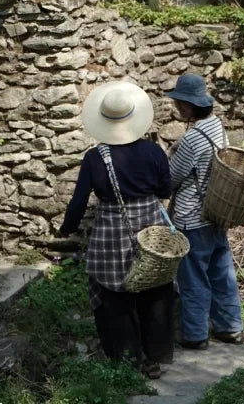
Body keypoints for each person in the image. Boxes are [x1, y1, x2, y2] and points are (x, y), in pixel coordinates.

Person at [59, 81, 174, 378]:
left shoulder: (95, 158)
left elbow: (79, 200)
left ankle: (127, 358)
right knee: (154, 287)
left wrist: (67, 229)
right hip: (152, 225)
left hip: (113, 230)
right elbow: (165, 188)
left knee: (114, 295)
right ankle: (157, 353)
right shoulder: (153, 151)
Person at [165, 73, 244, 349]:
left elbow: (172, 179)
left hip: (192, 218)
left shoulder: (192, 139)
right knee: (221, 273)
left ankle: (196, 335)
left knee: (193, 278)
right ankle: (230, 328)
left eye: (178, 104)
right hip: (216, 212)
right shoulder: (217, 128)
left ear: (187, 107)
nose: (177, 109)